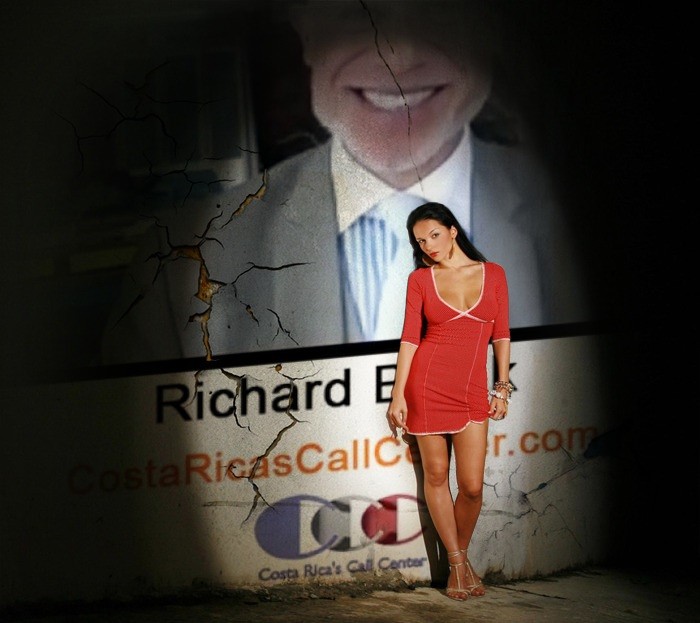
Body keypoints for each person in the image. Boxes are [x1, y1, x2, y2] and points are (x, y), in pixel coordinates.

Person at [102, 0, 586, 364]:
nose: (399, 56)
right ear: (303, 24)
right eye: (358, 10)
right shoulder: (177, 267)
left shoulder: (596, 223)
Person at [386, 202, 511, 601]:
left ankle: (460, 557)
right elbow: (410, 338)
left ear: (453, 230)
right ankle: (458, 565)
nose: (428, 245)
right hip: (426, 385)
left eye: (434, 235)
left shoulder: (494, 274)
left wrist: (502, 387)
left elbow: (501, 334)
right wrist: (397, 394)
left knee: (472, 486)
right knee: (437, 476)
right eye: (420, 241)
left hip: (473, 388)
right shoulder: (421, 280)